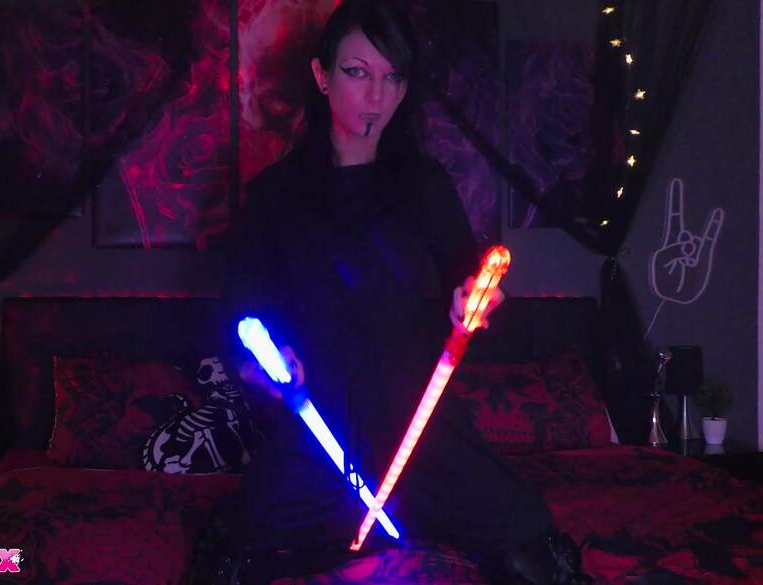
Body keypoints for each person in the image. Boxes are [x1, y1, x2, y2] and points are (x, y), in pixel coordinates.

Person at [221, 2, 591, 584]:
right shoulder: (275, 197)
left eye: (392, 77)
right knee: (234, 553)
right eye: (357, 72)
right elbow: (244, 319)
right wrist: (267, 365)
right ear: (321, 75)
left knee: (531, 543)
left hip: (421, 432)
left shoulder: (425, 187)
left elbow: (470, 291)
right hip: (319, 433)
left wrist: (473, 306)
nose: (376, 97)